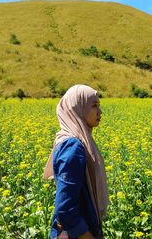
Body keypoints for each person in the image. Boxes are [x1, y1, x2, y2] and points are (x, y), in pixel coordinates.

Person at [44, 85, 109, 239]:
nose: (100, 112)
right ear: (78, 108)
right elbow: (65, 210)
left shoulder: (75, 141)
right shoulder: (73, 147)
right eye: (94, 106)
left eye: (99, 106)